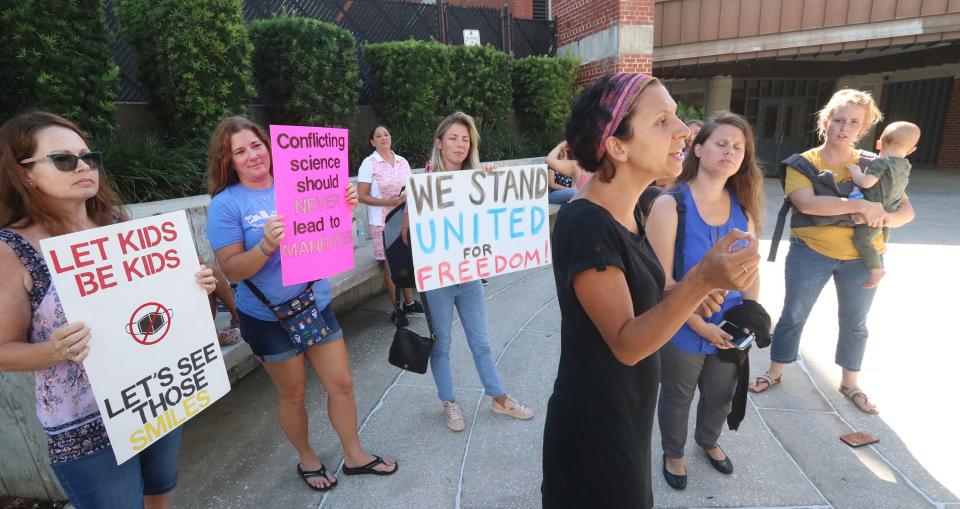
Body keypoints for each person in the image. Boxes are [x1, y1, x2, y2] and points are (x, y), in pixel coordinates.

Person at [541, 73, 760, 508]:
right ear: (618, 147)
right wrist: (701, 279)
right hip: (595, 427)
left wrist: (692, 296)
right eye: (663, 121)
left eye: (678, 116)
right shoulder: (585, 222)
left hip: (628, 413)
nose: (684, 130)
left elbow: (646, 299)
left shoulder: (631, 212)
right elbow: (626, 343)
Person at [0, 111, 218, 509]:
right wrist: (53, 351)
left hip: (155, 396)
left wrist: (195, 288)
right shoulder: (12, 250)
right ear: (25, 173)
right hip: (85, 427)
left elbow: (156, 312)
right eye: (64, 159)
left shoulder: (120, 227)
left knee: (159, 493)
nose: (83, 166)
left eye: (89, 156)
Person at [204, 116, 397, 492]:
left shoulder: (300, 181)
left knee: (341, 383)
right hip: (267, 317)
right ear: (228, 161)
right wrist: (264, 246)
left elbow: (327, 233)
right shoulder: (225, 205)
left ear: (269, 146)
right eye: (239, 151)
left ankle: (354, 455)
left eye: (256, 145)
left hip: (314, 303)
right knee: (292, 394)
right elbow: (232, 269)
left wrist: (344, 206)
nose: (252, 155)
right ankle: (307, 458)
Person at [748, 90, 916, 415]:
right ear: (826, 121)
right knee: (794, 314)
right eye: (839, 119)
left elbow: (906, 210)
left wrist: (884, 216)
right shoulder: (805, 162)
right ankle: (775, 372)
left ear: (863, 128)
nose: (844, 127)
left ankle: (850, 383)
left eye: (854, 122)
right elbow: (807, 203)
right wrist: (862, 205)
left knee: (855, 322)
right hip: (812, 252)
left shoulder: (875, 163)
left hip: (863, 259)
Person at [646, 112, 764, 489]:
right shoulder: (671, 205)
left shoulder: (743, 209)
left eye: (738, 147)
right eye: (721, 143)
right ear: (698, 148)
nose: (730, 152)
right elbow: (660, 283)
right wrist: (701, 325)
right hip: (682, 326)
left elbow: (752, 272)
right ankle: (675, 453)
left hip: (730, 329)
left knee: (720, 396)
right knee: (677, 396)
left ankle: (709, 441)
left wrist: (745, 319)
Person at [405, 111, 535, 431]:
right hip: (438, 281)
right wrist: (414, 207)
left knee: (482, 342)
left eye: (466, 139)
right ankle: (449, 401)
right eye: (454, 138)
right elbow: (408, 236)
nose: (460, 144)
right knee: (442, 345)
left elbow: (495, 224)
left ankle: (499, 397)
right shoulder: (424, 186)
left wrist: (491, 184)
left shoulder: (479, 181)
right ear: (440, 143)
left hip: (469, 277)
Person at [356, 125, 423, 325]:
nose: (384, 137)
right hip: (382, 222)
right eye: (378, 135)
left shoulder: (402, 161)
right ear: (372, 142)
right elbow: (361, 196)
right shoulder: (369, 163)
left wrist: (406, 195)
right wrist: (388, 202)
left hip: (404, 218)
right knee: (390, 265)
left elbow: (411, 186)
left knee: (405, 260)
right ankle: (397, 309)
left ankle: (410, 303)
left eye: (386, 134)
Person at [844, 121, 920, 288]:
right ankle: (882, 245)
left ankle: (876, 269)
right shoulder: (905, 166)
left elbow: (867, 182)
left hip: (873, 211)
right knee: (883, 229)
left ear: (879, 143)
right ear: (911, 150)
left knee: (861, 239)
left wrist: (856, 172)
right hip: (891, 208)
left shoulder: (880, 162)